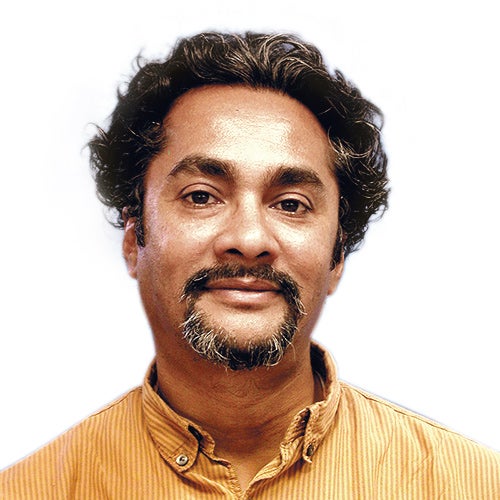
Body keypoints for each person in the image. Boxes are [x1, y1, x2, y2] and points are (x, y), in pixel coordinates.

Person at [1, 31, 498, 499]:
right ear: (134, 240)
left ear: (337, 256)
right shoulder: (29, 491)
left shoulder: (471, 485)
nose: (249, 240)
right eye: (201, 196)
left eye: (291, 204)